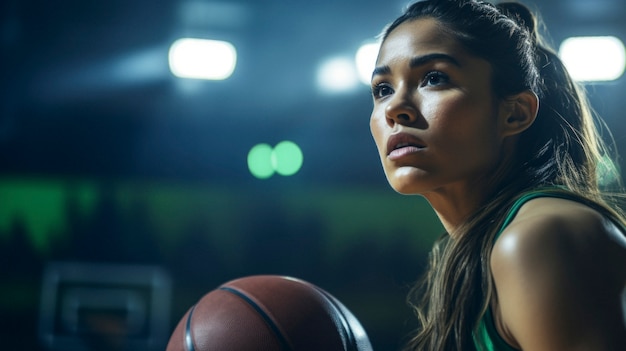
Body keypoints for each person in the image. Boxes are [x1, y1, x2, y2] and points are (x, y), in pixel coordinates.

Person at [368, 0, 626, 350]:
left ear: (515, 113)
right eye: (383, 89)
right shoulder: (482, 250)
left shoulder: (540, 236)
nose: (395, 108)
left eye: (434, 78)